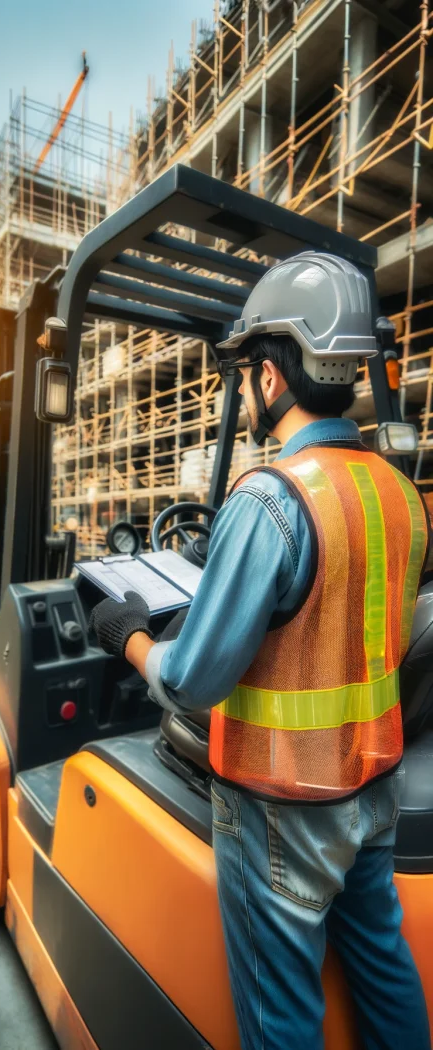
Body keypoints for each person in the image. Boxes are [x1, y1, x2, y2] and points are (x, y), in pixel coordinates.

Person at [89, 252, 431, 1050]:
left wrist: (132, 637)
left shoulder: (271, 500)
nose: (244, 389)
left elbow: (193, 682)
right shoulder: (399, 493)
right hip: (371, 788)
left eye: (246, 373)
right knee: (386, 973)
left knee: (283, 1019)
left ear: (272, 378)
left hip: (280, 809)